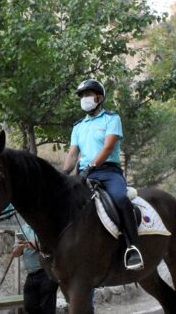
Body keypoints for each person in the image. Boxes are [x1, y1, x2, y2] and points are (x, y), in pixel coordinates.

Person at [61, 79, 143, 270]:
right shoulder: (78, 126)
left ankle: (132, 247)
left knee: (120, 198)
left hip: (108, 172)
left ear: (99, 97)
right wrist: (64, 173)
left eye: (88, 94)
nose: (84, 99)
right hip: (83, 175)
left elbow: (108, 147)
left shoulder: (111, 119)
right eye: (82, 96)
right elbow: (73, 154)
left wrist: (91, 165)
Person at [12, 222, 59, 314]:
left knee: (47, 308)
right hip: (31, 275)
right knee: (29, 306)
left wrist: (34, 245)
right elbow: (15, 254)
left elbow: (52, 246)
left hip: (46, 273)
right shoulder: (24, 228)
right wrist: (20, 247)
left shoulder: (44, 225)